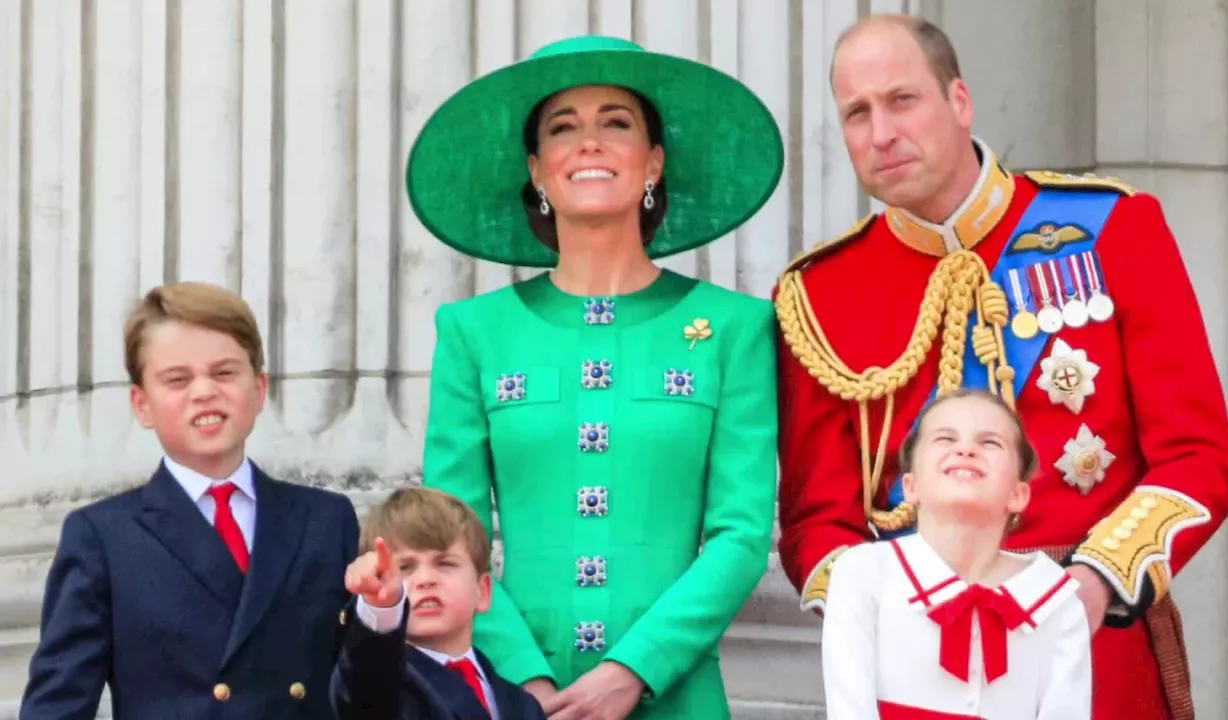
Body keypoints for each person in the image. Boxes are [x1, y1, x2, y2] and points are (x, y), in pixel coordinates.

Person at [774, 14, 1228, 720]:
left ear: (958, 101)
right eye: (856, 113)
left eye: (903, 100)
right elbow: (816, 521)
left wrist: (1095, 583)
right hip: (910, 673)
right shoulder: (816, 295)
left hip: (1092, 643)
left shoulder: (1112, 228)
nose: (880, 133)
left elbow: (1197, 457)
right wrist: (888, 611)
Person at [404, 35, 784, 719]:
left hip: (678, 693)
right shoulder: (472, 332)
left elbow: (742, 534)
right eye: (562, 128)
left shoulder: (735, 328)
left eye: (616, 122)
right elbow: (448, 534)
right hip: (518, 697)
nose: (589, 143)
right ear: (537, 170)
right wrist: (523, 677)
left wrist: (636, 668)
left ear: (654, 162)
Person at [20, 282, 361, 720]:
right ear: (141, 404)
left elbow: (367, 691)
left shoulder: (325, 520)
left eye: (223, 373)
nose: (203, 391)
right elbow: (58, 704)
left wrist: (385, 612)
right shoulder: (103, 537)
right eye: (177, 379)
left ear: (258, 389)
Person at [822, 389, 1091, 719]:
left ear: (1018, 495)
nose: (965, 449)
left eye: (990, 443)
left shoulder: (1056, 600)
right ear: (911, 486)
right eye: (944, 439)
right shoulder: (864, 573)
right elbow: (850, 709)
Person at [332, 487, 546, 720]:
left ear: (482, 591)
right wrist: (380, 607)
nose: (426, 579)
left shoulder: (522, 704)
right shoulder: (385, 686)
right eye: (404, 568)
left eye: (445, 563)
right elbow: (362, 689)